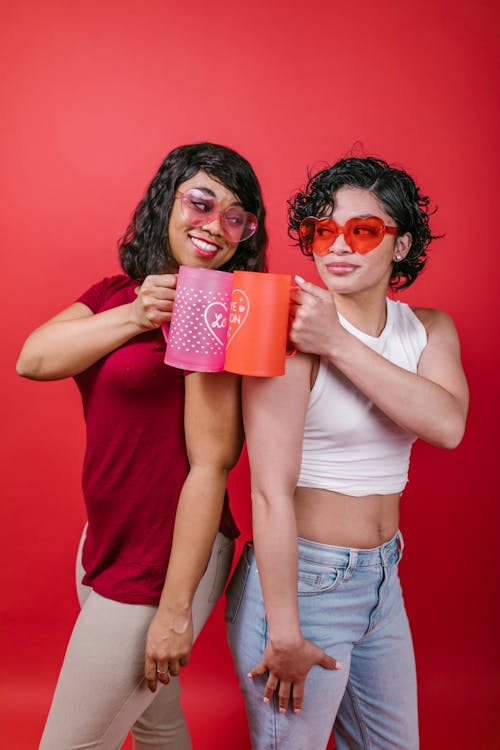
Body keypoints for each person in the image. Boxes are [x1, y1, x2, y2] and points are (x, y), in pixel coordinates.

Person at [16, 142, 267, 750]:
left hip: (161, 563)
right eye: (201, 203)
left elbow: (211, 466)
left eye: (235, 217)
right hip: (102, 544)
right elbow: (34, 358)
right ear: (168, 200)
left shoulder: (214, 314)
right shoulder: (116, 292)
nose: (215, 226)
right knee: (155, 722)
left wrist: (175, 609)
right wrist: (136, 315)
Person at [225, 155, 468, 749]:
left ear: (401, 244)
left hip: (384, 579)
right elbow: (268, 491)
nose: (338, 246)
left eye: (362, 231)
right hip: (301, 586)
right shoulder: (283, 333)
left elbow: (446, 425)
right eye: (321, 230)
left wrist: (337, 341)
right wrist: (284, 631)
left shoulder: (428, 329)